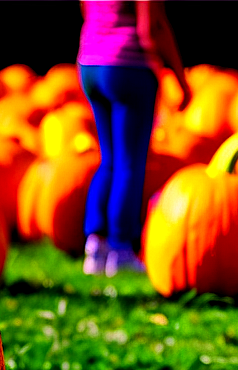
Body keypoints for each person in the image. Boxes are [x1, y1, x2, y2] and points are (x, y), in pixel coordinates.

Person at [77, 0, 191, 276]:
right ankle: (121, 247)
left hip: (90, 61)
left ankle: (96, 244)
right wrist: (180, 78)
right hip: (129, 65)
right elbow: (152, 26)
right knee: (130, 163)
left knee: (110, 159)